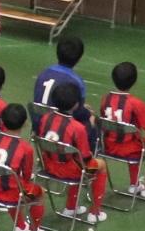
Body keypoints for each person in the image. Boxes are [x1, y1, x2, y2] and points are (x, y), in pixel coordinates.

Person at [36, 84, 109, 223]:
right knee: (100, 165)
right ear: (76, 104)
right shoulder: (78, 128)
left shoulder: (45, 118)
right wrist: (92, 126)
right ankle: (95, 212)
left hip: (48, 166)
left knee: (74, 160)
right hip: (70, 170)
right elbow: (86, 158)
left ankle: (71, 207)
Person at [98, 62, 145, 199]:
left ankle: (134, 185)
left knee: (135, 138)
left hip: (107, 147)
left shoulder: (105, 99)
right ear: (134, 81)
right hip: (129, 149)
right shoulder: (135, 103)